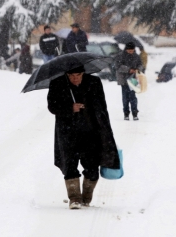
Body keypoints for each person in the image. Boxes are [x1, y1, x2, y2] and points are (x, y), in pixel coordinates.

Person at [47, 65, 120, 209]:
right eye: (71, 76)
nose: (75, 78)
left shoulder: (94, 83)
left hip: (90, 132)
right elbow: (52, 106)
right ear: (66, 74)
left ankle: (86, 196)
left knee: (92, 167)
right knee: (70, 166)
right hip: (67, 133)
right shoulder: (58, 83)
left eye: (78, 75)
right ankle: (74, 198)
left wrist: (104, 129)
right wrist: (70, 108)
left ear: (84, 73)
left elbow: (102, 107)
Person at [115, 42, 144, 121]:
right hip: (124, 79)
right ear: (126, 49)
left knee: (133, 97)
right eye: (129, 50)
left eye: (132, 50)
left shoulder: (136, 56)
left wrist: (137, 69)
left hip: (133, 79)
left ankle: (135, 113)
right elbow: (118, 66)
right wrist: (128, 70)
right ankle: (126, 113)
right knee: (125, 97)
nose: (131, 52)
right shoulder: (120, 56)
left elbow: (140, 65)